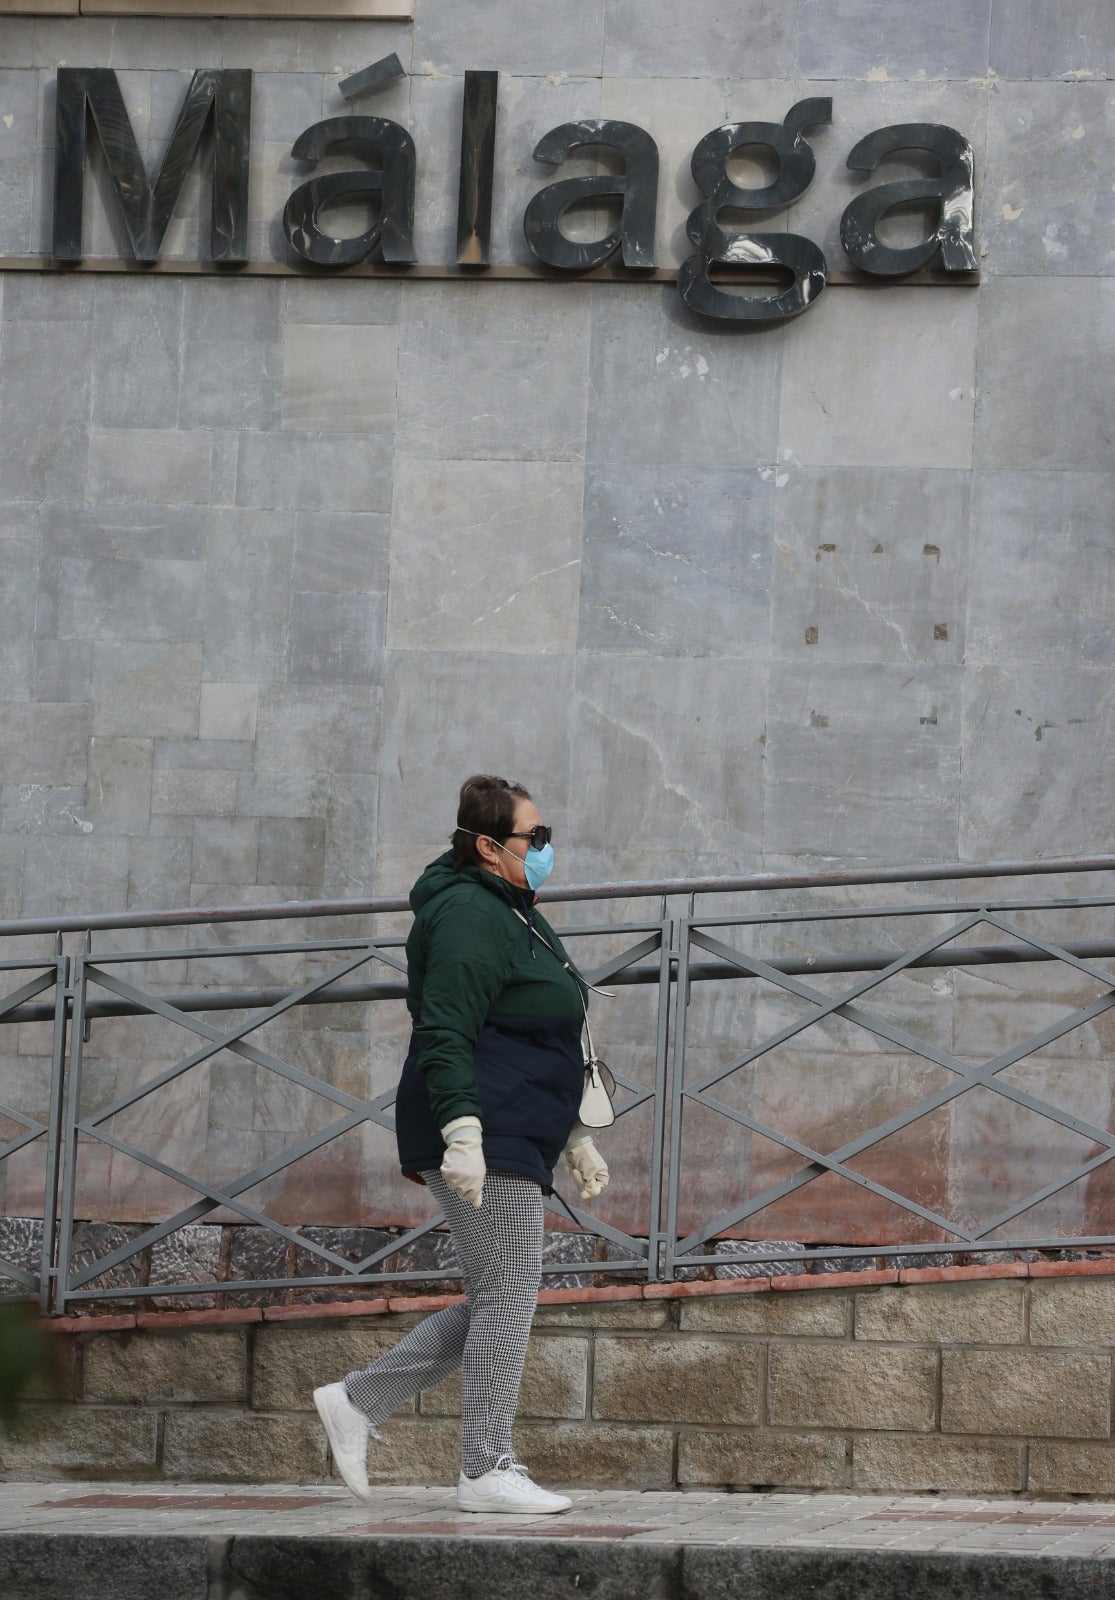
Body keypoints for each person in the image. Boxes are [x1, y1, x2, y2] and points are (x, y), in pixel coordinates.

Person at [313, 774, 610, 1514]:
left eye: (545, 835)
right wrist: (462, 1134)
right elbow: (445, 1029)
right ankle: (483, 1466)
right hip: (482, 1120)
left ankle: (356, 1402)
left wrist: (573, 1134)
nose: (545, 848)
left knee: (499, 1294)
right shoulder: (470, 914)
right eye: (531, 838)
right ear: (487, 845)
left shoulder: (515, 911)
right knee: (509, 1290)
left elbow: (543, 1026)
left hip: (520, 1122)